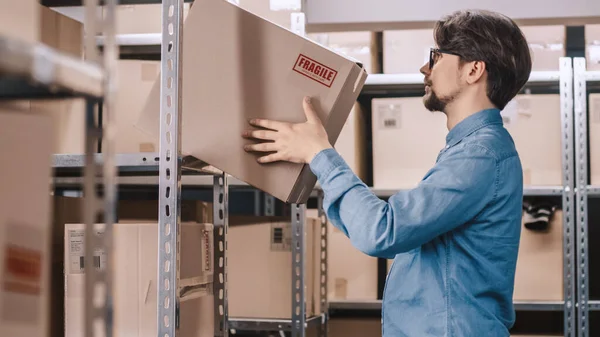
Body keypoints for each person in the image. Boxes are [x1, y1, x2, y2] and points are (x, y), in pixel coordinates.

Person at [241, 9, 532, 337]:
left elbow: (383, 231)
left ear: (474, 70)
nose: (425, 68)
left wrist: (319, 154)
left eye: (436, 57)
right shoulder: (472, 150)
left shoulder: (480, 155)